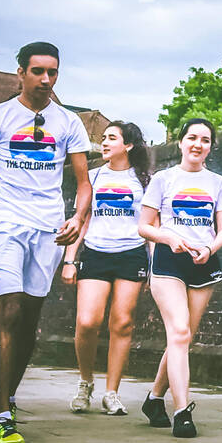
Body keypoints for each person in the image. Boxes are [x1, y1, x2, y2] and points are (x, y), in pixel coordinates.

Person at [0, 42, 92, 443]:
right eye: (37, 71)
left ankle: (4, 396)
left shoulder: (69, 122)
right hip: (3, 226)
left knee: (29, 319)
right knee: (11, 307)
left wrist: (77, 217)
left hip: (48, 231)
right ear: (20, 73)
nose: (45, 80)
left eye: (52, 72)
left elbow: (83, 181)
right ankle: (0, 420)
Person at [137, 118, 222, 438]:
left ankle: (154, 399)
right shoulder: (163, 179)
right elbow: (144, 226)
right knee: (178, 331)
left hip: (203, 264)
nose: (198, 144)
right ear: (180, 142)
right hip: (168, 262)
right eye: (192, 137)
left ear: (210, 147)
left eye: (205, 140)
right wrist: (167, 238)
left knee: (182, 338)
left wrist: (209, 247)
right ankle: (182, 411)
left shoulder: (217, 182)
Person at [61, 121, 152, 416]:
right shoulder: (92, 176)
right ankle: (85, 382)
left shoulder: (145, 181)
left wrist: (155, 265)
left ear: (128, 145)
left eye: (112, 138)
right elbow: (81, 219)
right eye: (104, 138)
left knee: (122, 323)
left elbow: (152, 226)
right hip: (96, 254)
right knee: (87, 321)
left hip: (132, 255)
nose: (105, 142)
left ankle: (112, 392)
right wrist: (70, 259)